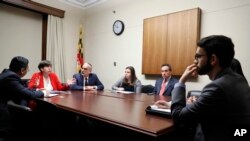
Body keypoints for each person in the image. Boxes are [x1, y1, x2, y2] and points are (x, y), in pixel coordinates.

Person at [155, 35, 250, 141]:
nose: (195, 61)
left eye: (198, 57)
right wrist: (171, 104)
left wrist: (181, 81)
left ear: (213, 59)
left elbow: (178, 116)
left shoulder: (216, 87)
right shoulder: (240, 80)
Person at [0, 56, 44, 140]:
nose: (28, 71)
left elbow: (21, 89)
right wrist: (43, 92)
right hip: (3, 116)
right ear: (22, 70)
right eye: (27, 69)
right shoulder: (11, 77)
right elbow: (28, 95)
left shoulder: (7, 73)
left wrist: (31, 89)